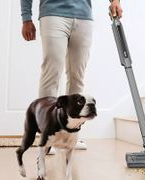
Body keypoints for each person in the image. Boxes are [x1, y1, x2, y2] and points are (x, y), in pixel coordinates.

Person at [20, 0, 123, 152]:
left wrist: (115, 1)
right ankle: (47, 136)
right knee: (52, 73)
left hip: (83, 17)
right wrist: (26, 18)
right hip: (53, 14)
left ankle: (71, 135)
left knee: (77, 76)